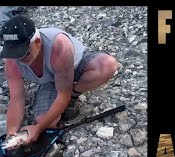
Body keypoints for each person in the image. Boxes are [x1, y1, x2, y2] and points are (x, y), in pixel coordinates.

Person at [1, 15, 118, 149]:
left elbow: (63, 95)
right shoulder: (11, 59)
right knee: (48, 122)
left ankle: (75, 94)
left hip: (76, 66)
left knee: (107, 65)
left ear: (37, 42)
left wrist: (38, 129)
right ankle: (49, 97)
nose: (20, 60)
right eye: (16, 54)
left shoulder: (59, 46)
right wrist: (11, 132)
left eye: (25, 53)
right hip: (50, 80)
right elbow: (16, 99)